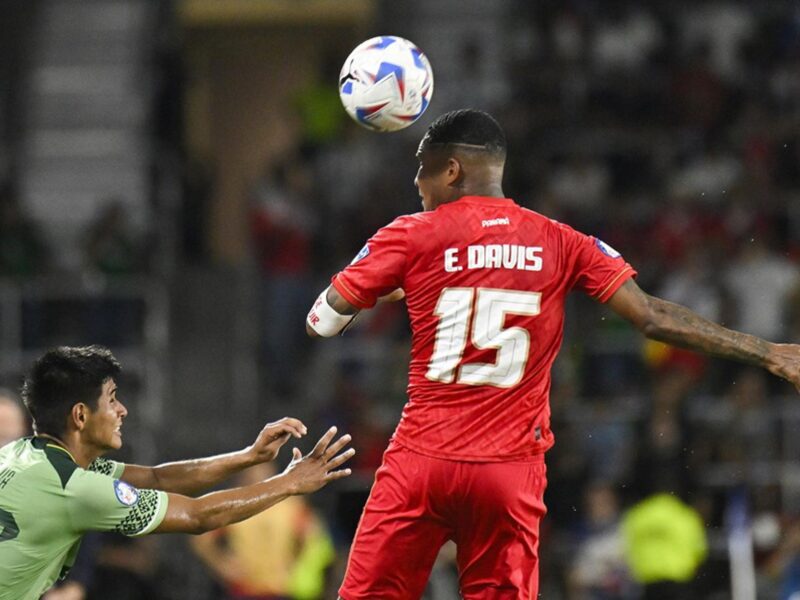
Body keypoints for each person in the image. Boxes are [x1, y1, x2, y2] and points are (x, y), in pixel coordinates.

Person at [304, 109, 800, 599]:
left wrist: (391, 287)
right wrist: (768, 352)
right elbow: (652, 317)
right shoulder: (561, 241)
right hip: (509, 471)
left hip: (422, 461)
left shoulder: (412, 233)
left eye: (421, 167)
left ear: (452, 170)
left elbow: (322, 321)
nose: (416, 182)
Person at [0, 345, 354, 600]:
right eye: (111, 399)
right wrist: (290, 481)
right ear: (80, 416)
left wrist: (248, 457)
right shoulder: (76, 487)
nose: (122, 410)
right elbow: (197, 515)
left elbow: (157, 477)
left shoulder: (22, 455)